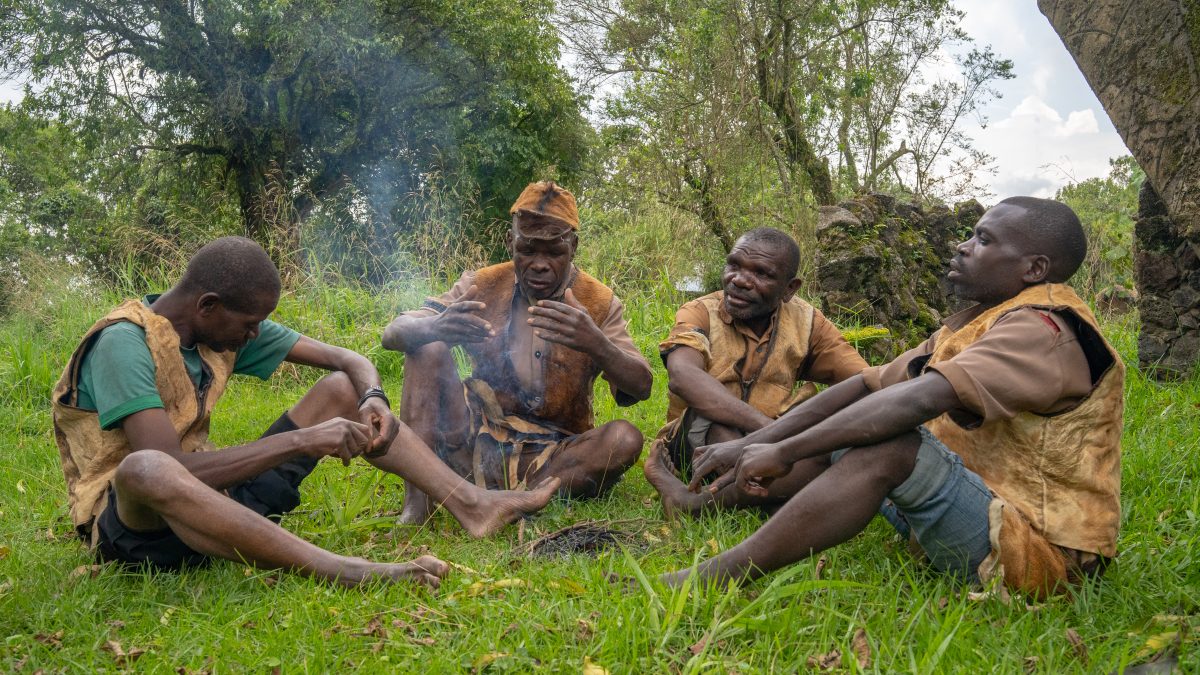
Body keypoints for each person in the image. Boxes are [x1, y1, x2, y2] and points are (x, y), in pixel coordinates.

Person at [660, 197, 1123, 599]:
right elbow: (866, 384)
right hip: (987, 509)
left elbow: (914, 400)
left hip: (1041, 556)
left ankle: (717, 576)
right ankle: (699, 503)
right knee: (850, 421)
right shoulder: (983, 322)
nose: (963, 246)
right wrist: (755, 443)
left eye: (983, 240)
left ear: (1035, 268)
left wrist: (782, 447)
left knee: (886, 439)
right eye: (736, 266)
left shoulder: (1042, 329)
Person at [52, 237, 558, 588]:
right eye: (249, 324)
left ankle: (472, 503)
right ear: (208, 306)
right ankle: (347, 570)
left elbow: (351, 361)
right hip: (139, 529)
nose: (254, 336)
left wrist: (372, 400)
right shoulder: (124, 343)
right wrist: (302, 440)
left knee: (342, 388)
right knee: (143, 468)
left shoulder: (213, 325)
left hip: (219, 500)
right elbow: (170, 468)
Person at [383, 181, 653, 523]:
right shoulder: (482, 284)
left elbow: (641, 386)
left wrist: (595, 342)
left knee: (624, 438)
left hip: (554, 455)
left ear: (573, 247)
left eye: (554, 252)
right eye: (528, 249)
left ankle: (515, 499)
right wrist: (434, 328)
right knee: (424, 346)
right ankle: (417, 506)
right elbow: (393, 332)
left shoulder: (597, 301)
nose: (540, 264)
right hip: (473, 442)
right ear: (511, 243)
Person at [642, 227, 868, 516]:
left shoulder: (808, 323)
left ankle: (729, 498)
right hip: (696, 440)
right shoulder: (700, 311)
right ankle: (771, 496)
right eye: (734, 265)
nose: (738, 280)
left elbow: (865, 381)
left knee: (835, 430)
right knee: (712, 419)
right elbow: (684, 377)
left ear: (789, 289)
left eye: (761, 274)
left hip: (773, 444)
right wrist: (772, 433)